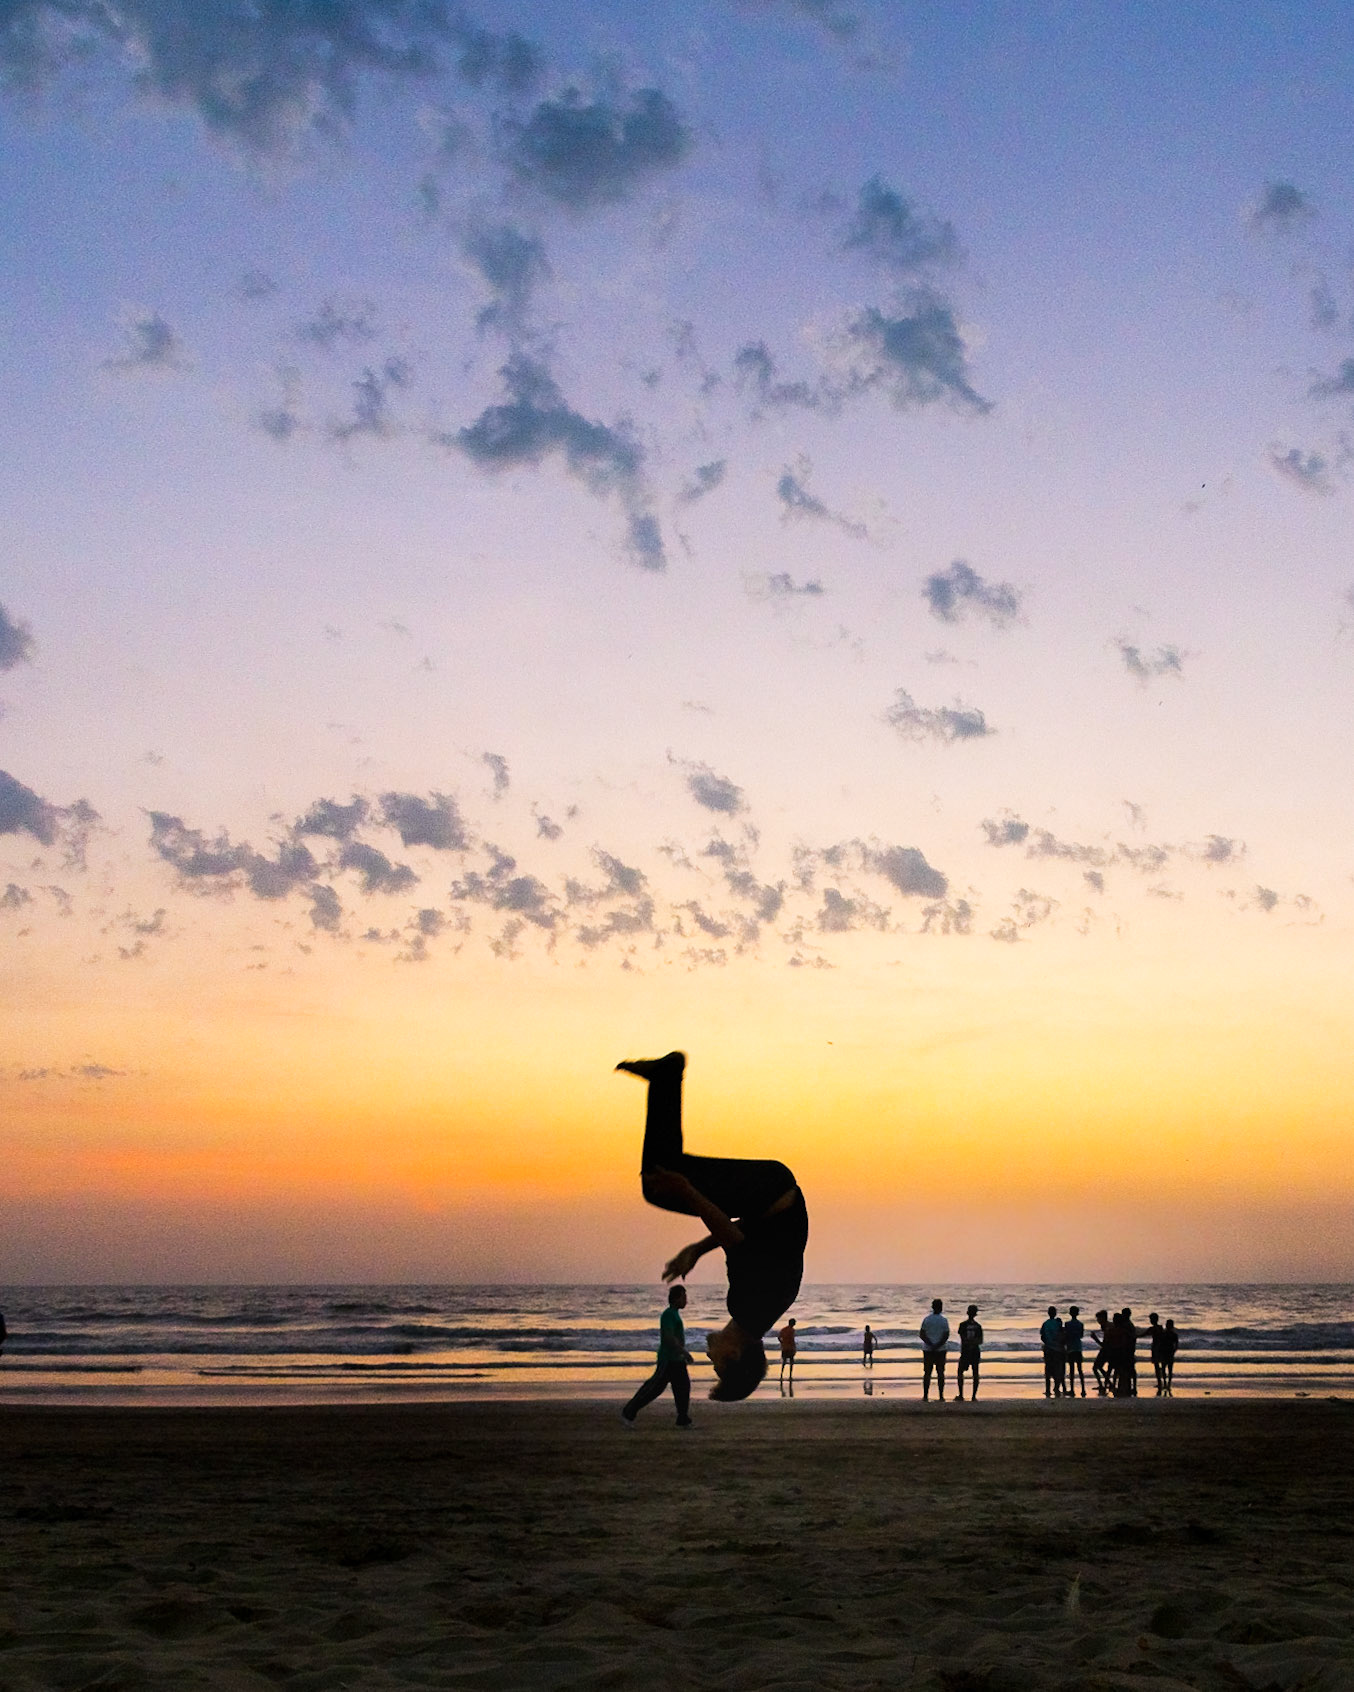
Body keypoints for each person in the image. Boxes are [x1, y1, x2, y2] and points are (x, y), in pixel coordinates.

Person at [617, 1051, 809, 1402]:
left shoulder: (762, 1311)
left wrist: (696, 1249)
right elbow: (734, 1238)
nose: (708, 1358)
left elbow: (742, 1235)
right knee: (662, 1181)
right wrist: (687, 1192)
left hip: (771, 1194)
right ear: (733, 1355)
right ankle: (667, 1075)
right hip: (768, 1191)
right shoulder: (748, 1307)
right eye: (717, 1366)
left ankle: (665, 1079)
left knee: (664, 1173)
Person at [622, 1285, 694, 1428]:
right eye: (684, 1297)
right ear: (676, 1298)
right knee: (654, 1388)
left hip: (677, 1360)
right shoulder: (668, 1314)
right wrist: (684, 1352)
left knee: (683, 1388)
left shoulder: (674, 1314)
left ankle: (683, 1419)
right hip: (668, 1359)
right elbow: (668, 1337)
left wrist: (682, 1354)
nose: (686, 1300)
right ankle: (628, 1412)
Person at [919, 1298, 950, 1401]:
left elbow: (922, 1334)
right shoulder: (944, 1320)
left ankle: (925, 1395)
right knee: (940, 1372)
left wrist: (930, 1344)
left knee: (927, 1372)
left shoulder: (927, 1319)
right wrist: (937, 1345)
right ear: (941, 1308)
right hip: (940, 1349)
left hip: (928, 1349)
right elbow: (946, 1335)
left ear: (932, 1307)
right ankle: (941, 1395)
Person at [955, 1303, 983, 1401]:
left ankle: (961, 1394)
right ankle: (973, 1396)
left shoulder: (963, 1325)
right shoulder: (978, 1326)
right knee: (975, 1373)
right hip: (975, 1350)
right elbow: (980, 1340)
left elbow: (962, 1338)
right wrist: (973, 1344)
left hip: (965, 1351)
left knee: (960, 1372)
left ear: (967, 1313)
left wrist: (968, 1343)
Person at [1040, 1306, 1065, 1398]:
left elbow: (1042, 1336)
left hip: (1048, 1349)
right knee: (1057, 1369)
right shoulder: (1058, 1323)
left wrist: (1047, 1342)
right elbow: (1062, 1334)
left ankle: (1047, 1390)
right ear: (1055, 1313)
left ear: (1048, 1313)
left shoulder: (1045, 1324)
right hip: (1058, 1349)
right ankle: (1057, 1388)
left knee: (1048, 1369)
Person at [1064, 1304, 1086, 1398]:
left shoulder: (1067, 1324)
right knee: (1080, 1369)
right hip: (1078, 1347)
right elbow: (1081, 1336)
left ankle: (1072, 1389)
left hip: (1070, 1348)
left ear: (1070, 1313)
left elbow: (1066, 1335)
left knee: (1072, 1370)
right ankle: (1083, 1389)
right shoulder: (1080, 1324)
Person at [1092, 1308, 1113, 1395]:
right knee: (1100, 1367)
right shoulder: (1107, 1326)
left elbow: (1105, 1344)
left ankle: (1103, 1385)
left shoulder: (1107, 1327)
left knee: (1095, 1368)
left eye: (1099, 1319)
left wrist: (1095, 1339)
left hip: (1107, 1350)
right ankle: (1108, 1384)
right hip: (1109, 1350)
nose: (1098, 1321)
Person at [1119, 1308, 1139, 1397]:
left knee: (1127, 1368)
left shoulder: (1126, 1325)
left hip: (1127, 1349)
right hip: (1130, 1348)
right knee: (1130, 1369)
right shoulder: (1129, 1325)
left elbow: (1129, 1337)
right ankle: (1131, 1387)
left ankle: (1130, 1387)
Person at [778, 1317, 798, 1390]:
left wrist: (782, 1343)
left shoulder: (783, 1329)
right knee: (791, 1362)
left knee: (784, 1362)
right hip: (790, 1348)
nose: (795, 1323)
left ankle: (781, 1374)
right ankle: (790, 1375)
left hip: (784, 1348)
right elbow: (792, 1340)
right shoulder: (792, 1330)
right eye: (794, 1322)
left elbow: (779, 1337)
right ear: (792, 1323)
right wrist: (794, 1348)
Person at [1161, 1318, 1180, 1393]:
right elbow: (1176, 1345)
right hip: (1168, 1353)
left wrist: (1173, 1351)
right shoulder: (1172, 1334)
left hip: (1167, 1353)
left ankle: (1167, 1383)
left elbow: (1176, 1345)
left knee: (1166, 1369)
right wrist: (1174, 1351)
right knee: (1167, 1369)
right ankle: (1167, 1383)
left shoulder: (1166, 1334)